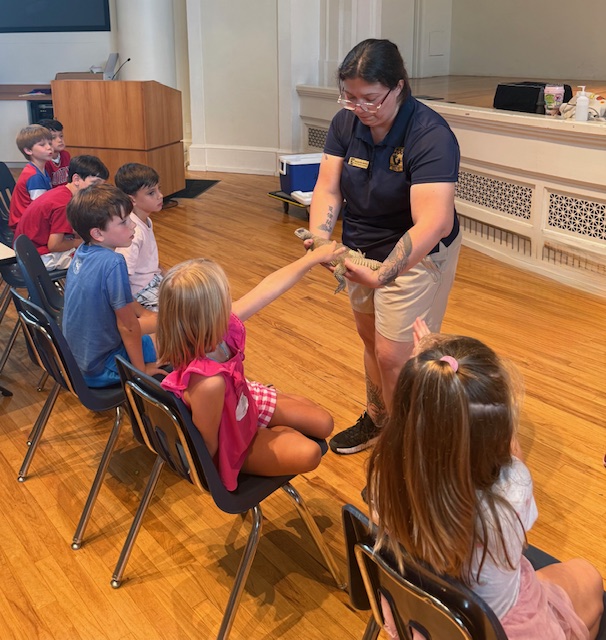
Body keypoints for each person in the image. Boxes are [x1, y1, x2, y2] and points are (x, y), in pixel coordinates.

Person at [366, 325, 604, 639]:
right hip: (499, 628)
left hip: (420, 621)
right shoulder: (507, 496)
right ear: (497, 429)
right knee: (590, 577)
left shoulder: (384, 477)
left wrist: (429, 379)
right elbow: (512, 464)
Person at [307, 39, 462, 455]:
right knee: (372, 342)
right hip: (360, 249)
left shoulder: (430, 134)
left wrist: (382, 274)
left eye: (371, 98)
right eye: (350, 96)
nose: (360, 108)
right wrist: (320, 240)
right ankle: (379, 420)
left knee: (397, 357)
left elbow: (434, 222)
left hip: (415, 254)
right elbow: (328, 188)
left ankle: (408, 449)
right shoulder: (346, 123)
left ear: (398, 87)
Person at [158, 246, 346, 490]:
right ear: (211, 314)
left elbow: (268, 288)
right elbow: (208, 446)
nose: (231, 300)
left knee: (324, 423)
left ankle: (272, 426)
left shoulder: (217, 329)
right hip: (231, 439)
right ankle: (272, 432)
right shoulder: (207, 382)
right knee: (310, 453)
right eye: (225, 297)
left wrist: (311, 259)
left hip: (243, 404)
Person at [63, 184, 163, 387]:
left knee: (161, 329)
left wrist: (145, 314)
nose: (133, 225)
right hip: (102, 367)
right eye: (124, 222)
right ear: (98, 233)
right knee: (181, 341)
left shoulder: (83, 250)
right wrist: (140, 372)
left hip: (77, 361)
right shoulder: (113, 262)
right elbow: (127, 327)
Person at [14, 155, 108, 270]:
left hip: (29, 249)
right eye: (94, 184)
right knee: (97, 259)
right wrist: (82, 241)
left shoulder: (62, 192)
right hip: (35, 256)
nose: (98, 190)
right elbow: (54, 245)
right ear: (76, 179)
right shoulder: (64, 205)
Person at [114, 163, 164, 311]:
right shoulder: (133, 232)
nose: (160, 196)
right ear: (132, 200)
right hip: (141, 290)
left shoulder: (145, 220)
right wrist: (140, 312)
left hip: (152, 280)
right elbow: (122, 280)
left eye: (159, 189)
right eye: (151, 193)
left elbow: (148, 260)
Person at [8, 125, 53, 229]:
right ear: (28, 150)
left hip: (29, 220)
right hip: (26, 225)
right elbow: (41, 209)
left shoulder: (39, 169)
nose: (49, 147)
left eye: (50, 143)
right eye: (42, 145)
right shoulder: (34, 176)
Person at [38, 119, 71, 188]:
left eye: (61, 136)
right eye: (53, 137)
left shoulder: (65, 155)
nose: (60, 140)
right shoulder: (44, 162)